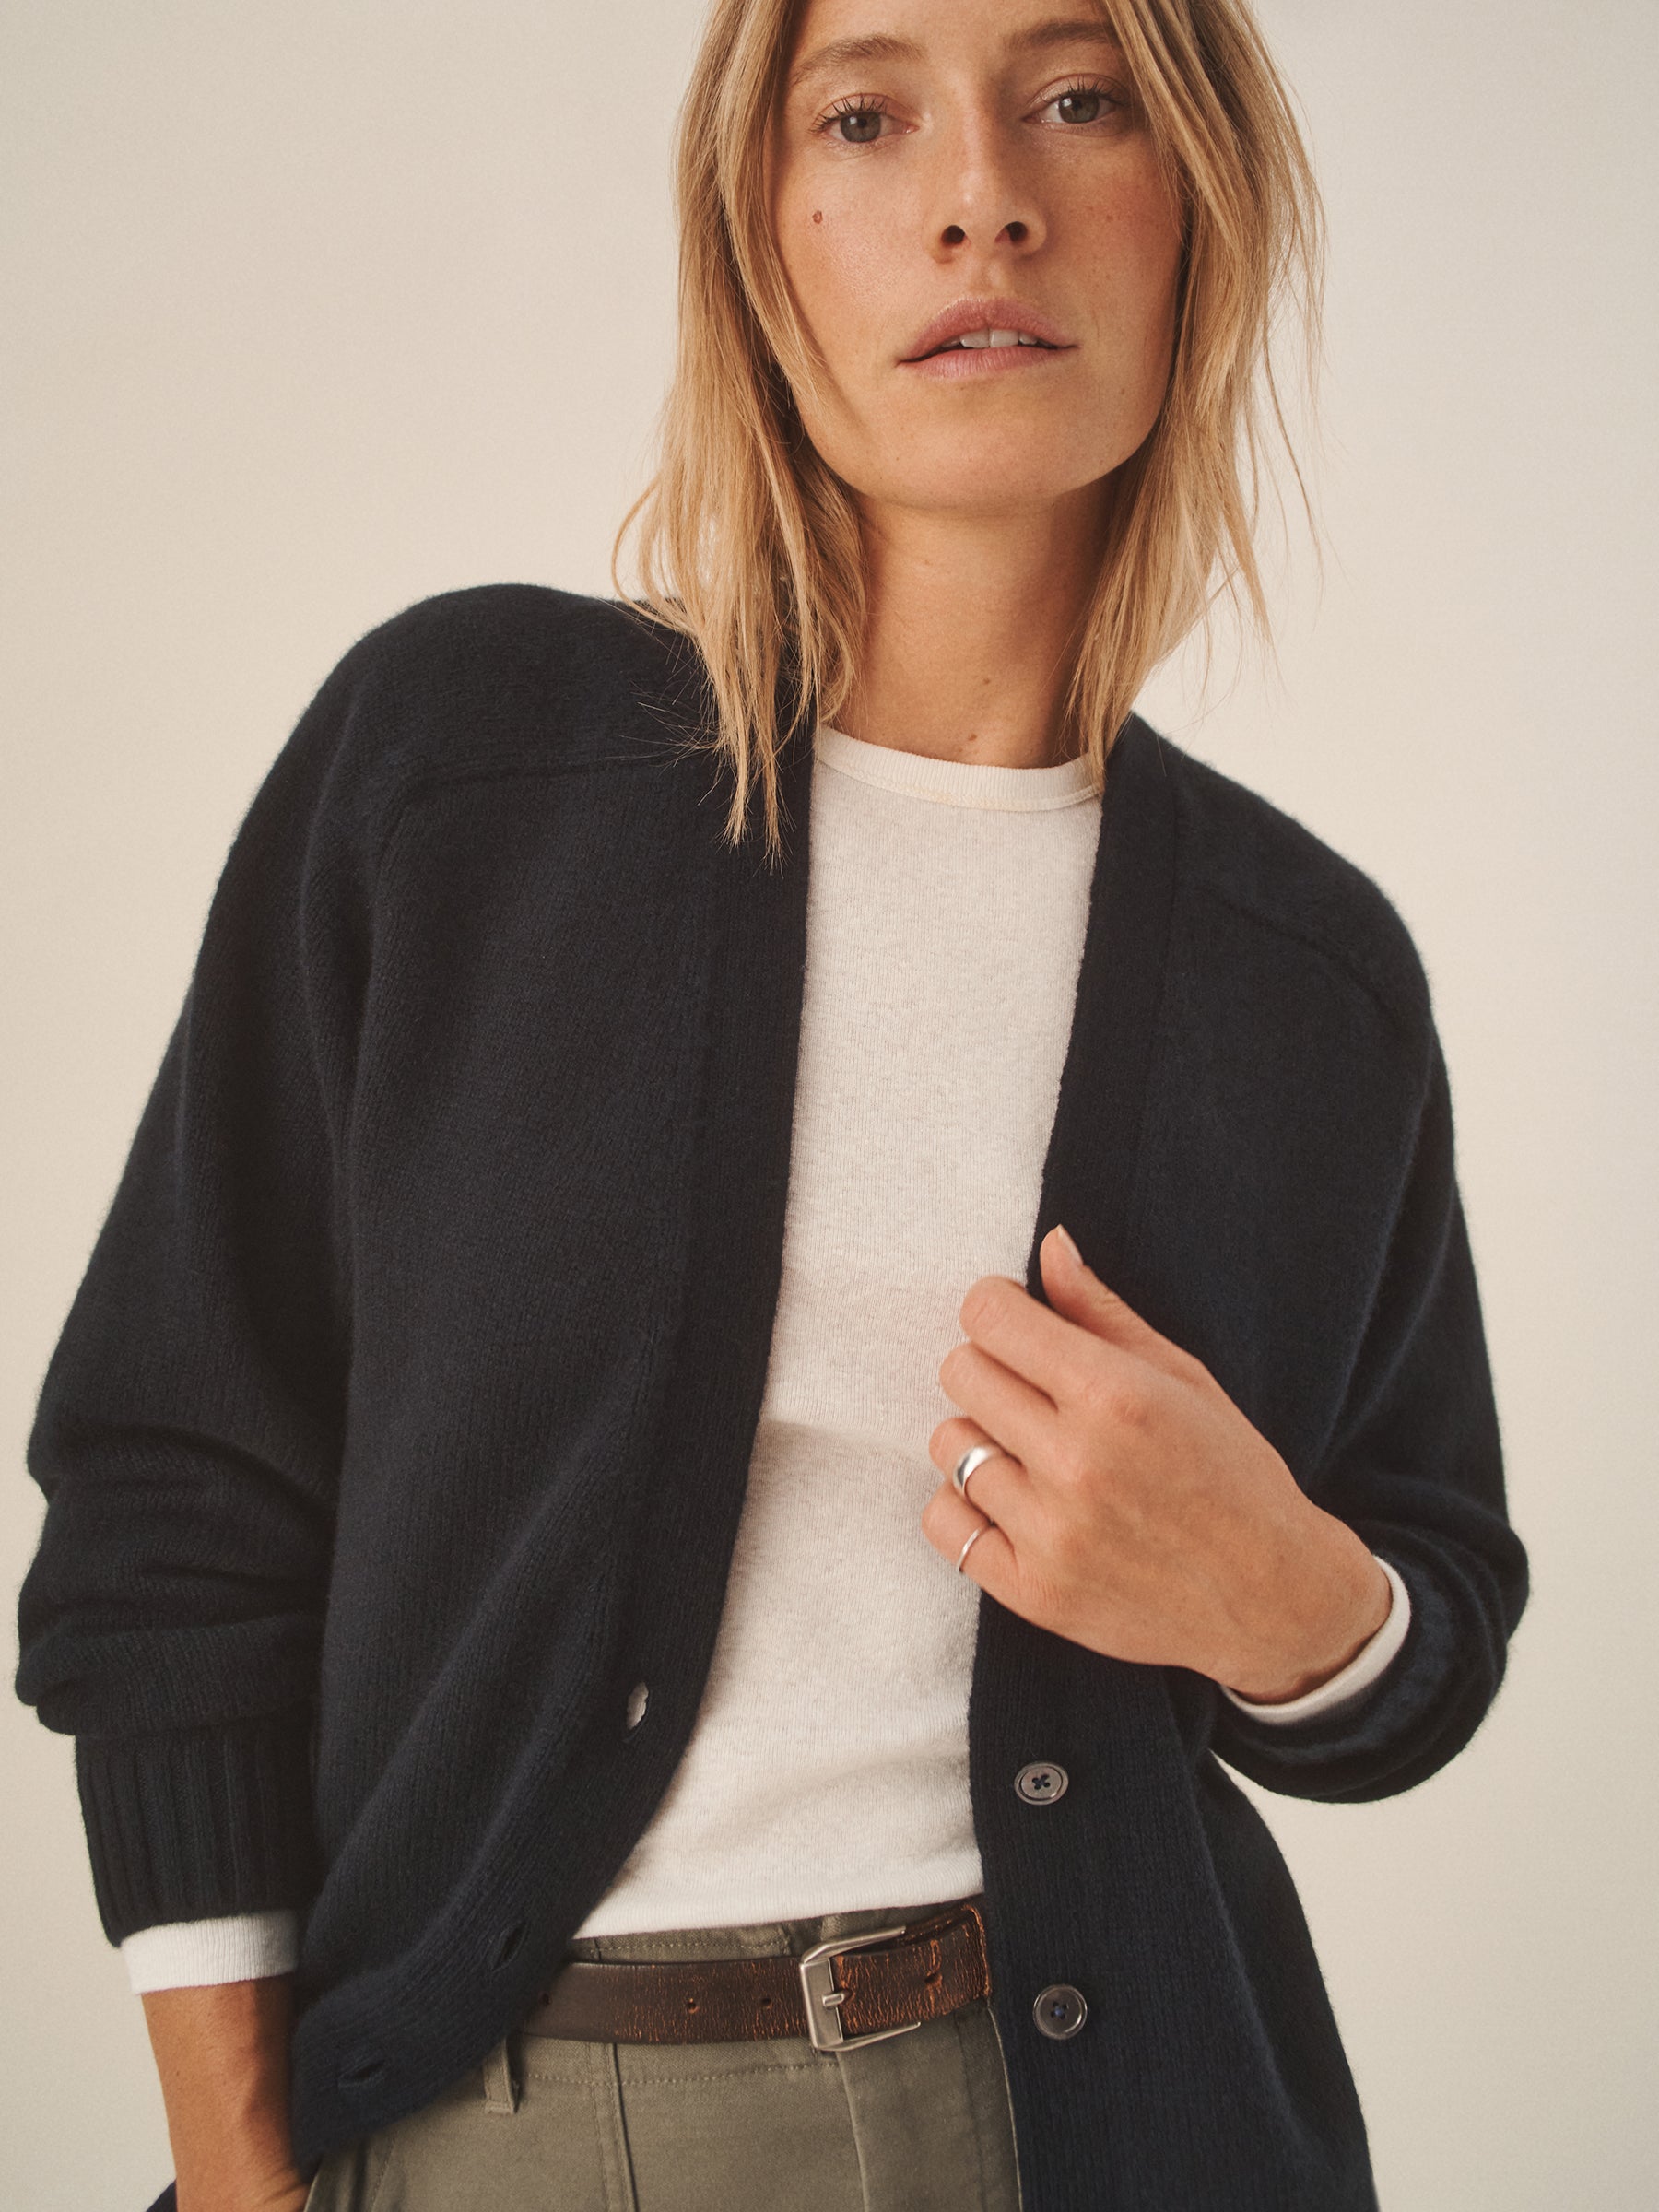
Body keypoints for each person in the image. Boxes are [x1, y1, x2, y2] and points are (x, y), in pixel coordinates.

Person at [13, 0, 1529, 2206]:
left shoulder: (1311, 975)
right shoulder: (461, 770)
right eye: (867, 113)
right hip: (485, 2129)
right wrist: (241, 2169)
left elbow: (1428, 1614)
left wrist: (1280, 1596)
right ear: (757, 229)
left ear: (1200, 201)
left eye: (1079, 98)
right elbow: (174, 1497)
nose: (982, 195)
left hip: (1102, 2135)